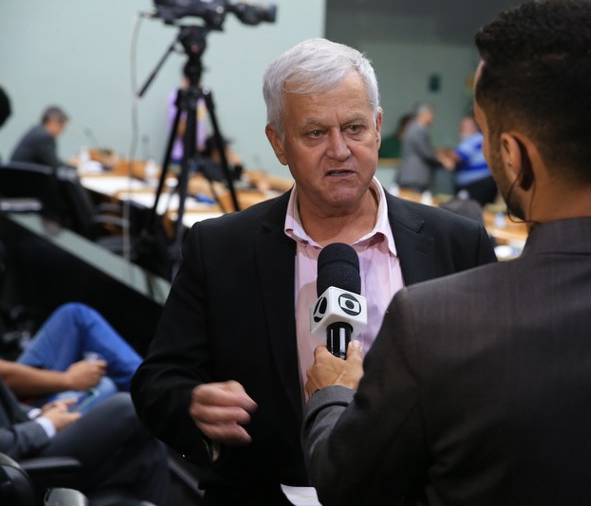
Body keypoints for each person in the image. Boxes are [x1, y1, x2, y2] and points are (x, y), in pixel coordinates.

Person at [302, 0, 591, 506]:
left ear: (513, 154)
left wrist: (333, 394)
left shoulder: (434, 325)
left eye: (486, 136)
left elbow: (346, 484)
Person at [131, 37, 496, 505]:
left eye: (354, 128)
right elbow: (158, 381)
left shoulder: (458, 244)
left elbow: (497, 390)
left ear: (378, 127)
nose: (340, 150)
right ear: (278, 143)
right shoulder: (221, 247)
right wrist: (191, 404)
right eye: (315, 133)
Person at [0, 383, 170, 505]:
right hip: (14, 467)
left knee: (148, 449)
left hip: (23, 439)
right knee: (126, 407)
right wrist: (45, 424)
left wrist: (37, 415)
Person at [0, 303, 142, 414]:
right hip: (18, 423)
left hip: (12, 397)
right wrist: (68, 380)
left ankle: (149, 389)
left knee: (75, 316)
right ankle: (150, 397)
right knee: (105, 386)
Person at [397, 103, 451, 192]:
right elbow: (426, 153)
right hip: (414, 177)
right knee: (413, 199)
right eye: (431, 115)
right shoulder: (417, 130)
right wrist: (443, 160)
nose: (433, 118)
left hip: (415, 177)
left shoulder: (416, 129)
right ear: (424, 115)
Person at [445, 115, 497, 205]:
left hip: (478, 185)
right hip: (474, 185)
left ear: (475, 128)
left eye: (465, 126)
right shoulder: (470, 140)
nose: (461, 129)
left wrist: (442, 154)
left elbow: (457, 156)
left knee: (469, 210)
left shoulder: (475, 138)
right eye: (461, 126)